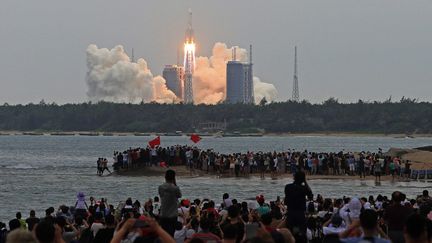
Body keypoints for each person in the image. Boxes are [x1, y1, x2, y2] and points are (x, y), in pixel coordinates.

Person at [284, 171, 313, 243]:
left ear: (294, 177)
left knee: (291, 235)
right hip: (300, 215)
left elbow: (286, 199)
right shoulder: (303, 188)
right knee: (301, 235)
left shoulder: (288, 187)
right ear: (303, 179)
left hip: (290, 214)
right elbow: (310, 197)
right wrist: (305, 182)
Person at [159, 169, 182, 236]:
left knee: (164, 235)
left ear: (165, 177)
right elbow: (179, 196)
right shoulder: (175, 188)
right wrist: (174, 183)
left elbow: (161, 195)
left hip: (163, 215)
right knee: (171, 234)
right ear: (174, 178)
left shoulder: (160, 187)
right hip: (172, 216)